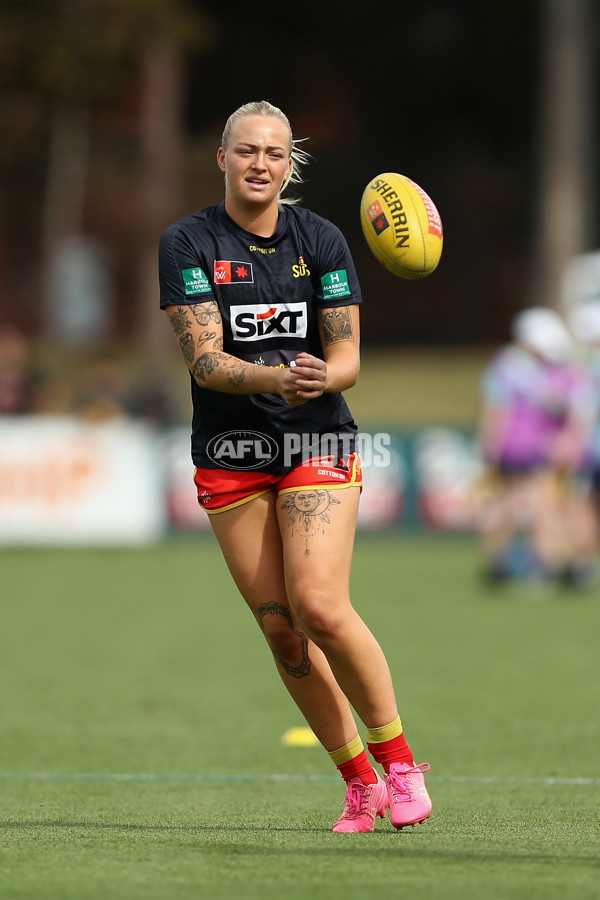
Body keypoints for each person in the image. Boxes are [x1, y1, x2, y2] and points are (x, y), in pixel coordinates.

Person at [158, 100, 432, 833]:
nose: (259, 164)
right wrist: (275, 377)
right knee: (282, 632)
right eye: (246, 151)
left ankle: (400, 764)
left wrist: (323, 376)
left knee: (319, 604)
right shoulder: (187, 242)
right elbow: (207, 359)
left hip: (317, 444)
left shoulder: (323, 240)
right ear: (222, 158)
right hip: (231, 454)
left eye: (274, 153)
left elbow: (347, 357)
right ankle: (358, 783)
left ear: (289, 164)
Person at [476, 306, 596, 585]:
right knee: (540, 505)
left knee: (522, 504)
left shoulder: (508, 366)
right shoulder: (520, 368)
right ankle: (541, 564)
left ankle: (513, 562)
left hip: (531, 449)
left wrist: (489, 446)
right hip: (530, 449)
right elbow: (498, 411)